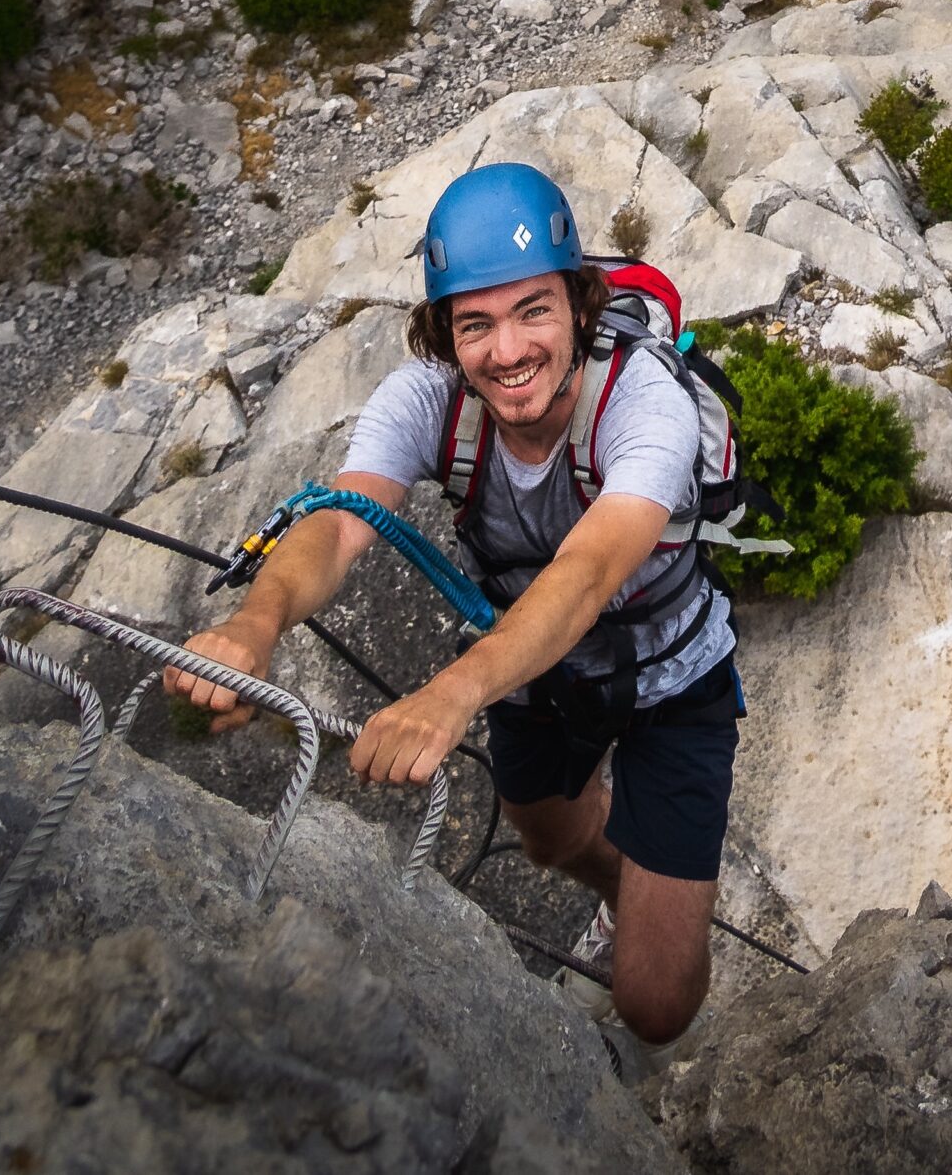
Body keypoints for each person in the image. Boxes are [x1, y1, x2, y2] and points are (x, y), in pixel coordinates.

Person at [167, 161, 739, 1062]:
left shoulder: (642, 403)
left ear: (580, 307)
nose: (507, 350)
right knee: (549, 835)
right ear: (444, 335)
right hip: (536, 670)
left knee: (655, 1001)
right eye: (475, 322)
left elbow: (587, 573)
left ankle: (660, 922)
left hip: (671, 674)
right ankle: (632, 892)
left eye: (533, 311)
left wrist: (452, 692)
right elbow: (341, 518)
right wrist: (256, 621)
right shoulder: (429, 401)